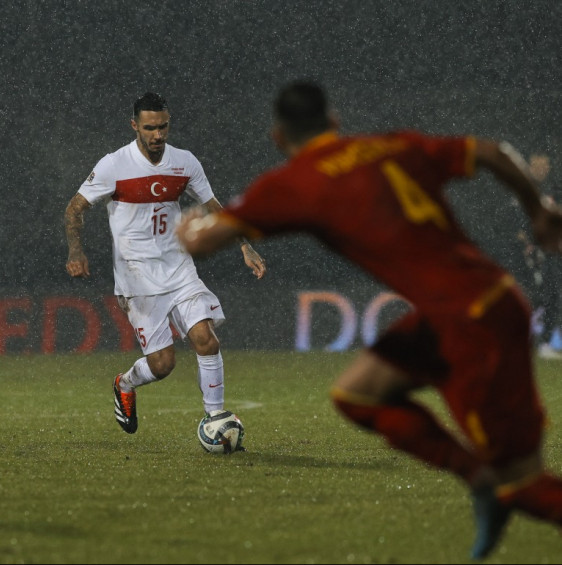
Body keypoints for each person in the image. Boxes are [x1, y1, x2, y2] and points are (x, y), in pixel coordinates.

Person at [176, 81, 562, 559]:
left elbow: (204, 242)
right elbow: (489, 151)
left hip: (475, 324)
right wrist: (538, 208)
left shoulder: (295, 184)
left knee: (523, 486)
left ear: (279, 137)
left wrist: (189, 227)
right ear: (335, 120)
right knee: (357, 394)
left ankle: (490, 483)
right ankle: (479, 479)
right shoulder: (388, 146)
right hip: (471, 305)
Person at [64, 92, 265, 436]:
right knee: (163, 364)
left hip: (178, 267)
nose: (158, 134)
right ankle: (125, 384)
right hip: (137, 277)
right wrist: (75, 251)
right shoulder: (115, 165)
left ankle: (213, 420)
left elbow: (214, 205)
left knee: (206, 338)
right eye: (150, 128)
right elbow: (74, 208)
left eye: (164, 127)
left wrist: (245, 245)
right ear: (134, 127)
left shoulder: (185, 162)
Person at [517, 154, 562, 359]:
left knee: (552, 292)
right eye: (537, 165)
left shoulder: (553, 189)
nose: (541, 168)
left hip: (550, 251)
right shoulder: (526, 188)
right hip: (537, 252)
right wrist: (528, 242)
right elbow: (521, 220)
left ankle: (546, 341)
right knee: (544, 293)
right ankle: (539, 339)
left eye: (545, 164)